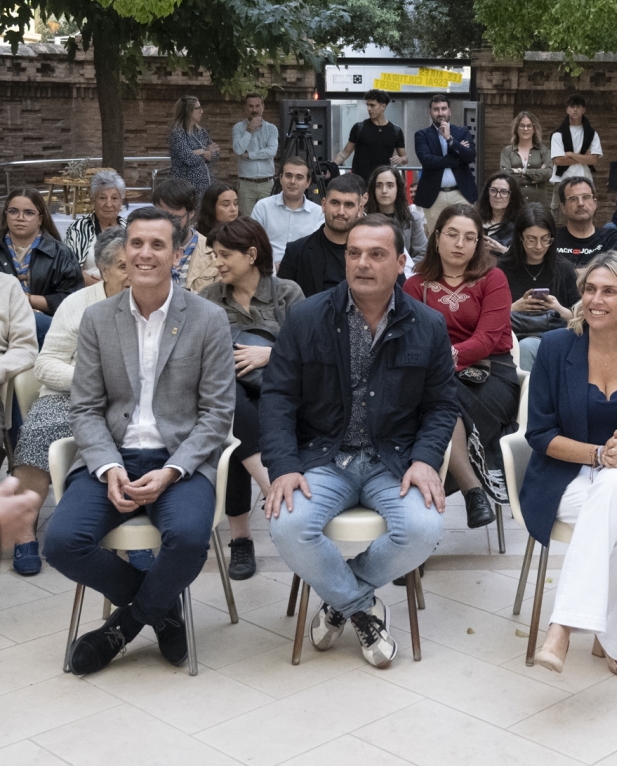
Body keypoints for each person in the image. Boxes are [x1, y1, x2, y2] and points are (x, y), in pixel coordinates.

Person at [44, 207, 235, 676]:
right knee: (62, 543)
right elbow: (85, 409)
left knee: (189, 538)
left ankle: (123, 628)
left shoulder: (208, 319)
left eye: (157, 245)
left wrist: (173, 471)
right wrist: (109, 469)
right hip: (113, 455)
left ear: (177, 252)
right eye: (136, 244)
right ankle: (164, 610)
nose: (145, 254)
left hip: (180, 457)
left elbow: (217, 414)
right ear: (123, 252)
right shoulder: (97, 319)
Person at [262, 215, 456, 669]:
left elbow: (442, 406)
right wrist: (284, 466)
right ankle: (362, 609)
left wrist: (427, 459)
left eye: (376, 254)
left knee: (424, 528)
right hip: (323, 458)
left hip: (394, 461)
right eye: (353, 253)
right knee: (287, 525)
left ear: (402, 262)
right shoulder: (307, 317)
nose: (362, 264)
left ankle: (338, 600)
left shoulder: (427, 325)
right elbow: (277, 399)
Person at [526, 252, 617, 680]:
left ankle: (561, 627)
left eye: (608, 291)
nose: (595, 299)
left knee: (614, 487)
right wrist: (596, 455)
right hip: (566, 477)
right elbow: (539, 434)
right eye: (590, 289)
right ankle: (616, 647)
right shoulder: (556, 348)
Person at [199, 218, 305, 580]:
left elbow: (311, 351)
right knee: (229, 417)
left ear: (252, 254)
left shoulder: (287, 293)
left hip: (283, 394)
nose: (218, 263)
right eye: (215, 255)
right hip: (231, 398)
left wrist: (269, 356)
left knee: (233, 433)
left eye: (225, 255)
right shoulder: (210, 299)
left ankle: (241, 538)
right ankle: (267, 489)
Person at [9, 230, 119, 575]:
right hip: (69, 394)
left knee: (138, 435)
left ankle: (130, 532)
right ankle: (24, 531)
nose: (133, 271)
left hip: (127, 401)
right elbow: (45, 364)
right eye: (122, 266)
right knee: (42, 430)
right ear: (102, 269)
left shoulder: (149, 302)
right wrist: (92, 382)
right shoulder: (78, 303)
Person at [405, 205, 519, 529]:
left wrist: (441, 363)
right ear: (437, 237)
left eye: (470, 237)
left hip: (492, 376)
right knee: (439, 405)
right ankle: (473, 492)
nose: (460, 244)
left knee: (432, 410)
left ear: (478, 243)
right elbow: (409, 339)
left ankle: (415, 525)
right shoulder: (415, 286)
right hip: (435, 379)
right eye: (453, 234)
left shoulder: (492, 279)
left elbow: (486, 339)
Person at [500, 204, 581, 371]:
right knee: (527, 346)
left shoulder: (563, 269)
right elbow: (487, 317)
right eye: (531, 239)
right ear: (519, 238)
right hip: (512, 340)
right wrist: (514, 307)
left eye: (545, 239)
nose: (538, 246)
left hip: (555, 339)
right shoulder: (501, 269)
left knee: (531, 346)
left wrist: (557, 308)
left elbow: (581, 316)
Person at [0, 188, 85, 342]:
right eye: (13, 211)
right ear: (6, 215)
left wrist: (29, 300)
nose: (20, 217)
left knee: (36, 322)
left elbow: (74, 300)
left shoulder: (61, 254)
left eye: (28, 213)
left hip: (47, 329)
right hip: (2, 326)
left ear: (40, 219)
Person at [279, 173, 367, 298]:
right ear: (324, 205)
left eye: (349, 205)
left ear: (359, 210)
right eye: (335, 203)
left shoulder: (374, 253)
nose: (341, 212)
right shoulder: (296, 252)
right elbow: (281, 303)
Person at [412, 93, 477, 226]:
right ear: (430, 112)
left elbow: (470, 156)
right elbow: (427, 160)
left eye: (443, 108)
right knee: (436, 238)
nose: (440, 113)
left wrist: (450, 139)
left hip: (461, 193)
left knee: (464, 232)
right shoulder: (422, 135)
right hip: (434, 196)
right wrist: (455, 159)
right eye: (436, 109)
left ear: (450, 111)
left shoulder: (462, 132)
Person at [250, 156, 324, 266]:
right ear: (280, 178)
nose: (292, 181)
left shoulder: (318, 213)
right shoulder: (263, 207)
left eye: (299, 177)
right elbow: (252, 244)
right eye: (288, 176)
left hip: (304, 273)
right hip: (268, 271)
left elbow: (319, 251)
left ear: (308, 182)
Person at [153, 178, 219, 294]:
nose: (169, 224)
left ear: (191, 213)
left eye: (176, 218)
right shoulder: (140, 250)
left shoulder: (214, 253)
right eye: (162, 217)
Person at [64, 169, 126, 285]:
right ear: (93, 201)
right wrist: (103, 287)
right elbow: (70, 269)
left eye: (114, 198)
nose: (108, 204)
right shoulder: (79, 228)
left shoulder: (129, 227)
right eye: (102, 198)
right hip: (90, 289)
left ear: (121, 202)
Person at [335, 88, 407, 182]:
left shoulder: (396, 130)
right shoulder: (359, 128)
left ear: (383, 107)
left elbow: (405, 158)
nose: (369, 109)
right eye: (367, 105)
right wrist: (331, 165)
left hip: (382, 181)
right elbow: (344, 153)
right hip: (360, 181)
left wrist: (401, 159)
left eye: (372, 105)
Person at [553, 176, 617, 266]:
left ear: (594, 204)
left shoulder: (610, 238)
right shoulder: (552, 239)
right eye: (573, 199)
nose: (580, 203)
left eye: (586, 197)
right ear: (563, 208)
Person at [367, 164, 427, 265]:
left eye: (390, 185)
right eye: (379, 185)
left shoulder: (413, 219)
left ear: (398, 188)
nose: (384, 191)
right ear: (373, 190)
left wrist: (398, 268)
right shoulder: (364, 219)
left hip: (404, 275)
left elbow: (422, 255)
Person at [231, 92, 278, 217]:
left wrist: (249, 155)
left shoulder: (271, 129)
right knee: (246, 223)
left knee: (269, 220)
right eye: (251, 106)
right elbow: (238, 150)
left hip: (267, 183)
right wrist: (249, 129)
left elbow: (272, 151)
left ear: (263, 107)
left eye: (257, 106)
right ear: (245, 108)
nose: (254, 110)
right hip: (246, 184)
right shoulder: (238, 128)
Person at [550, 93, 603, 199]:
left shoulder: (592, 134)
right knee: (559, 214)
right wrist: (584, 157)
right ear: (567, 110)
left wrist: (570, 154)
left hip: (585, 179)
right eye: (572, 107)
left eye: (578, 107)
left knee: (585, 213)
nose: (575, 110)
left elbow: (593, 160)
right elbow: (558, 160)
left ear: (583, 110)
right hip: (562, 180)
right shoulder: (558, 134)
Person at [499, 111, 553, 206]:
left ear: (534, 129)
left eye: (529, 126)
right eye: (522, 126)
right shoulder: (507, 151)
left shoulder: (543, 150)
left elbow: (548, 173)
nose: (525, 129)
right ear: (516, 128)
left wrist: (521, 172)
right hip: (514, 203)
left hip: (539, 203)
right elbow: (506, 176)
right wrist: (538, 174)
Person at [167, 95, 217, 193]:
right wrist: (206, 152)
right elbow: (188, 158)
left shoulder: (201, 132)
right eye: (198, 108)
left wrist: (199, 152)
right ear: (188, 111)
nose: (202, 111)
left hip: (206, 186)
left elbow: (215, 155)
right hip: (186, 188)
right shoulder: (178, 133)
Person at [479, 172, 525, 255]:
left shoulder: (519, 226)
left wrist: (503, 250)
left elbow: (523, 260)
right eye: (493, 190)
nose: (497, 196)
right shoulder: (477, 221)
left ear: (512, 197)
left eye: (504, 192)